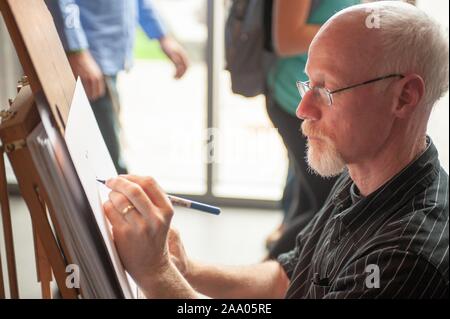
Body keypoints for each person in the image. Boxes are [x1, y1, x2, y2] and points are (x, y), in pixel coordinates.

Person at [102, 1, 449, 298]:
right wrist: (187, 268)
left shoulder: (407, 254)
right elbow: (287, 278)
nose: (303, 110)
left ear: (404, 97)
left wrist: (156, 273)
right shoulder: (363, 174)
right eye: (307, 84)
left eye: (327, 90)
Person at [264, 0, 360, 258]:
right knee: (326, 204)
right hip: (296, 99)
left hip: (333, 105)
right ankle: (269, 277)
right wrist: (360, 30)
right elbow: (286, 39)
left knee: (311, 201)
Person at [47, 0, 189, 174]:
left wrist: (162, 35)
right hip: (88, 61)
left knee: (107, 157)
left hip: (105, 62)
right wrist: (76, 50)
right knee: (105, 164)